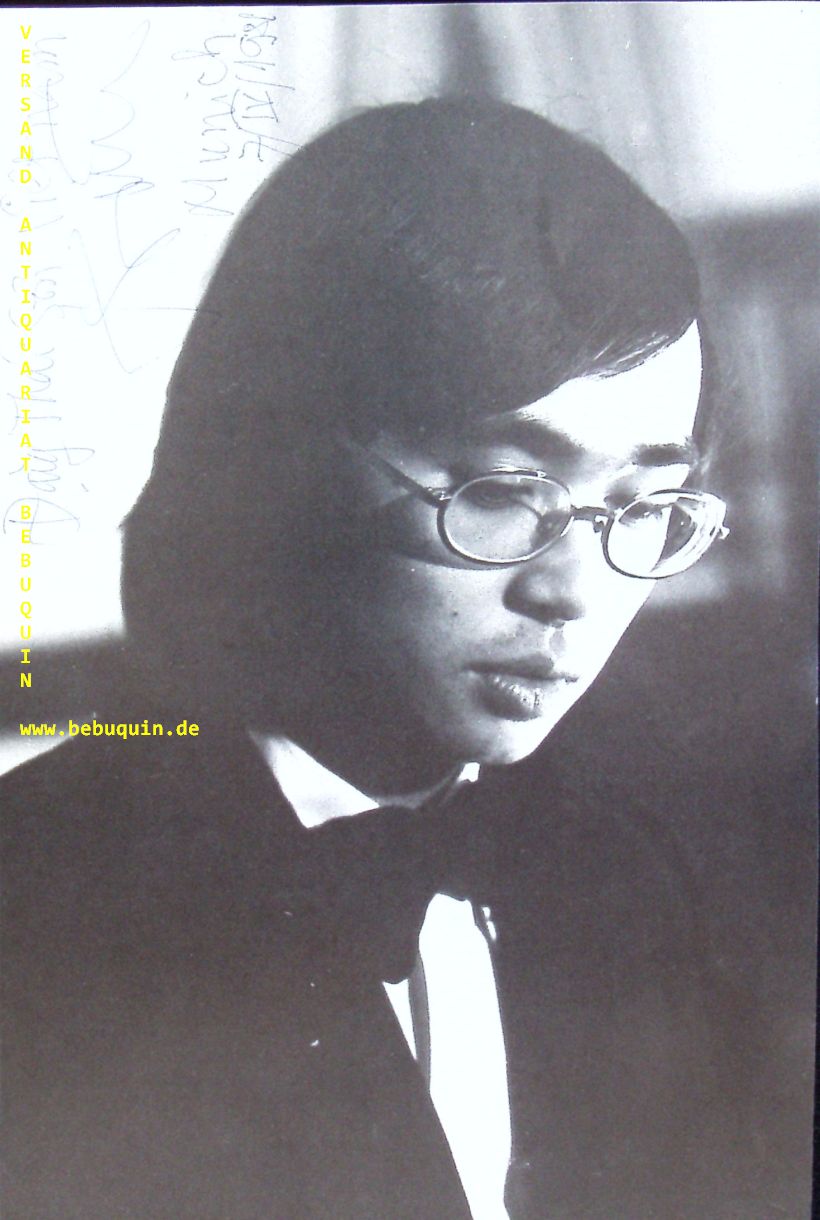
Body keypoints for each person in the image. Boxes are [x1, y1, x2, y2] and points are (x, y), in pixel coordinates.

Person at [1, 99, 729, 1219]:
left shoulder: (624, 884)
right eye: (500, 489)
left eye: (644, 507)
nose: (573, 592)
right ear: (278, 458)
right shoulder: (40, 907)